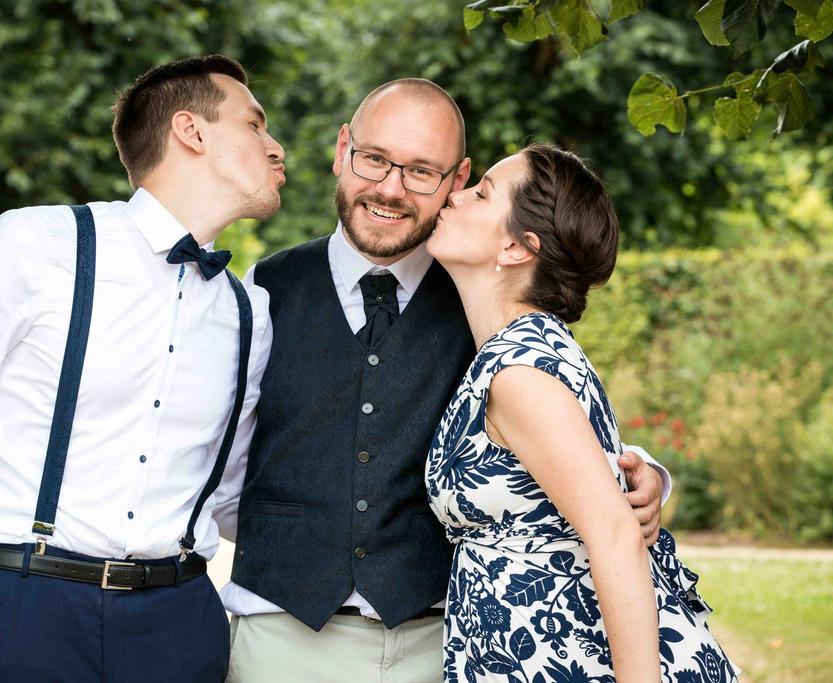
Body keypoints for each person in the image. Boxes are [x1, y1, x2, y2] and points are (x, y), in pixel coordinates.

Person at [217, 79, 671, 682]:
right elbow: (211, 460)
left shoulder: (484, 302)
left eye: (423, 172)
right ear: (343, 148)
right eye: (374, 158)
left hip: (443, 641)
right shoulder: (261, 291)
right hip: (281, 632)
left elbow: (558, 426)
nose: (389, 188)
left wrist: (640, 477)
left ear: (456, 181)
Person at [0, 54, 282, 682]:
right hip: (24, 611)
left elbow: (228, 495)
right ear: (192, 132)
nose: (276, 148)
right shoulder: (37, 246)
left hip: (182, 625)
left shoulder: (249, 310)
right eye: (255, 125)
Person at [424, 144, 738, 681]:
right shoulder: (527, 348)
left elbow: (614, 535)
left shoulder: (520, 370)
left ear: (519, 248)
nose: (454, 195)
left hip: (572, 658)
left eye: (480, 193)